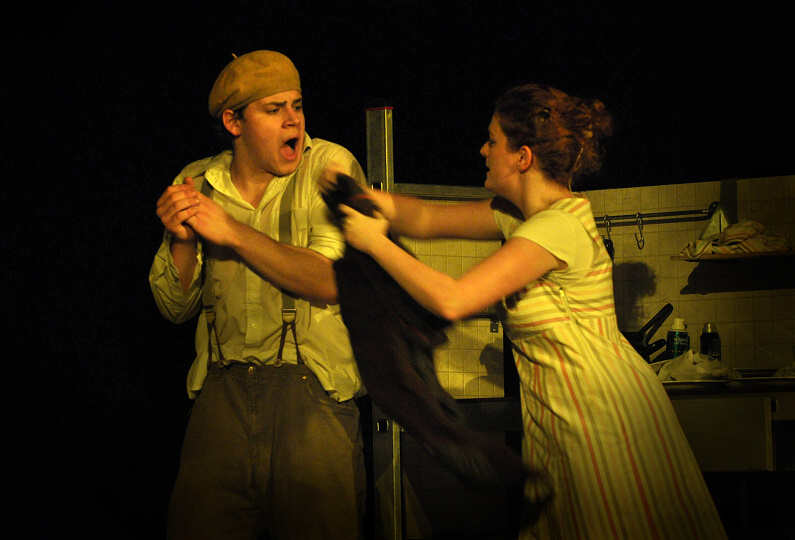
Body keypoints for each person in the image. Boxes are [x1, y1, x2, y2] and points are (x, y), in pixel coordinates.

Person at [327, 83, 727, 539]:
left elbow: (452, 299)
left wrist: (374, 244)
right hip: (558, 410)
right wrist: (356, 195)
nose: (483, 150)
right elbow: (423, 218)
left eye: (492, 141)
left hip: (598, 411)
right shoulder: (522, 218)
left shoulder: (556, 227)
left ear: (523, 157)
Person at [149, 50, 368, 540]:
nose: (294, 121)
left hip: (311, 401)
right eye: (274, 109)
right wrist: (183, 240)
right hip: (219, 400)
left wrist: (232, 232)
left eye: (297, 105)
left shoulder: (327, 167)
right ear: (234, 122)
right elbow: (173, 308)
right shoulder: (198, 181)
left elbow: (333, 280)